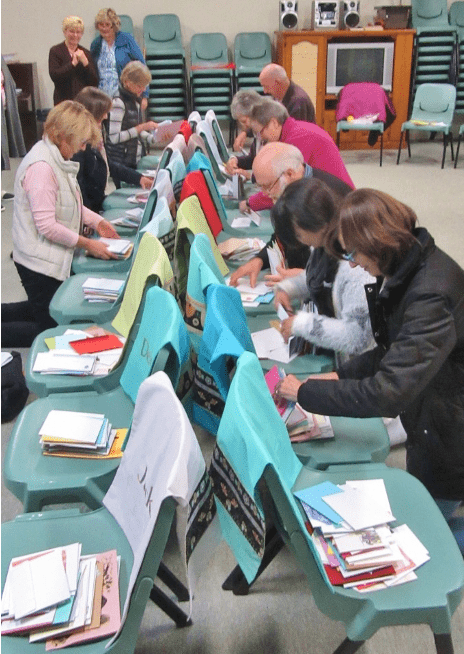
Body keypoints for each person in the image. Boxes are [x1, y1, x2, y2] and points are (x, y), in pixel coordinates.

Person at [276, 189, 464, 553]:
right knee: (424, 507)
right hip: (432, 408)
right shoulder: (404, 268)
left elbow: (388, 391)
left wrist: (306, 393)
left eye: (353, 253)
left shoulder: (430, 293)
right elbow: (393, 348)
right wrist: (342, 376)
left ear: (376, 243)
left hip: (449, 424)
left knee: (428, 537)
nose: (353, 263)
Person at [1, 101, 120, 347]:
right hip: (37, 262)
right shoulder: (42, 168)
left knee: (39, 309)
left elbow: (70, 204)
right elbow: (46, 225)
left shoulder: (56, 158)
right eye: (81, 141)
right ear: (64, 135)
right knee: (50, 330)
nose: (82, 148)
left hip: (47, 257)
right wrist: (88, 243)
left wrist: (97, 222)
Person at [229, 142, 352, 288]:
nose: (264, 193)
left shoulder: (327, 197)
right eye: (259, 186)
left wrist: (305, 276)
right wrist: (260, 259)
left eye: (267, 185)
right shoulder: (296, 191)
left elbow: (347, 268)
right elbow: (285, 235)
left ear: (289, 174)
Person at [248, 98, 354, 208]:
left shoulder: (297, 139)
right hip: (326, 195)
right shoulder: (295, 129)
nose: (261, 138)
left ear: (274, 123)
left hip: (340, 203)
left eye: (260, 132)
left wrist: (250, 203)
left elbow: (285, 186)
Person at [73, 87, 153, 212]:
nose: (105, 117)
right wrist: (90, 220)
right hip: (90, 210)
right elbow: (79, 186)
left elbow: (109, 165)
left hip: (97, 202)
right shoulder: (79, 146)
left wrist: (139, 178)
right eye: (101, 115)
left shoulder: (94, 138)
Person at [105, 61, 158, 186]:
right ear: (128, 83)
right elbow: (114, 137)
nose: (143, 89)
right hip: (122, 163)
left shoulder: (135, 100)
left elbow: (135, 131)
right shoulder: (118, 103)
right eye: (140, 85)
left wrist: (154, 138)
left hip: (135, 158)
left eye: (145, 86)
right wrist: (141, 127)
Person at [91, 8, 148, 111]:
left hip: (124, 95)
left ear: (114, 25)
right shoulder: (96, 44)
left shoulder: (126, 39)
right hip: (102, 96)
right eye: (101, 25)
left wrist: (145, 95)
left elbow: (142, 68)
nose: (104, 28)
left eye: (107, 25)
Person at [48, 16, 99, 105]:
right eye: (72, 31)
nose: (75, 35)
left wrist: (86, 63)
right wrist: (73, 63)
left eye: (78, 32)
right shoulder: (55, 51)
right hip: (62, 102)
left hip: (82, 102)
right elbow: (55, 76)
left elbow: (94, 81)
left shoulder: (86, 53)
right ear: (65, 32)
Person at [225, 89, 265, 177]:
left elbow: (271, 174)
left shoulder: (268, 135)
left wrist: (250, 176)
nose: (245, 127)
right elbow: (253, 160)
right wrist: (235, 160)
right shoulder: (256, 132)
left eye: (244, 121)